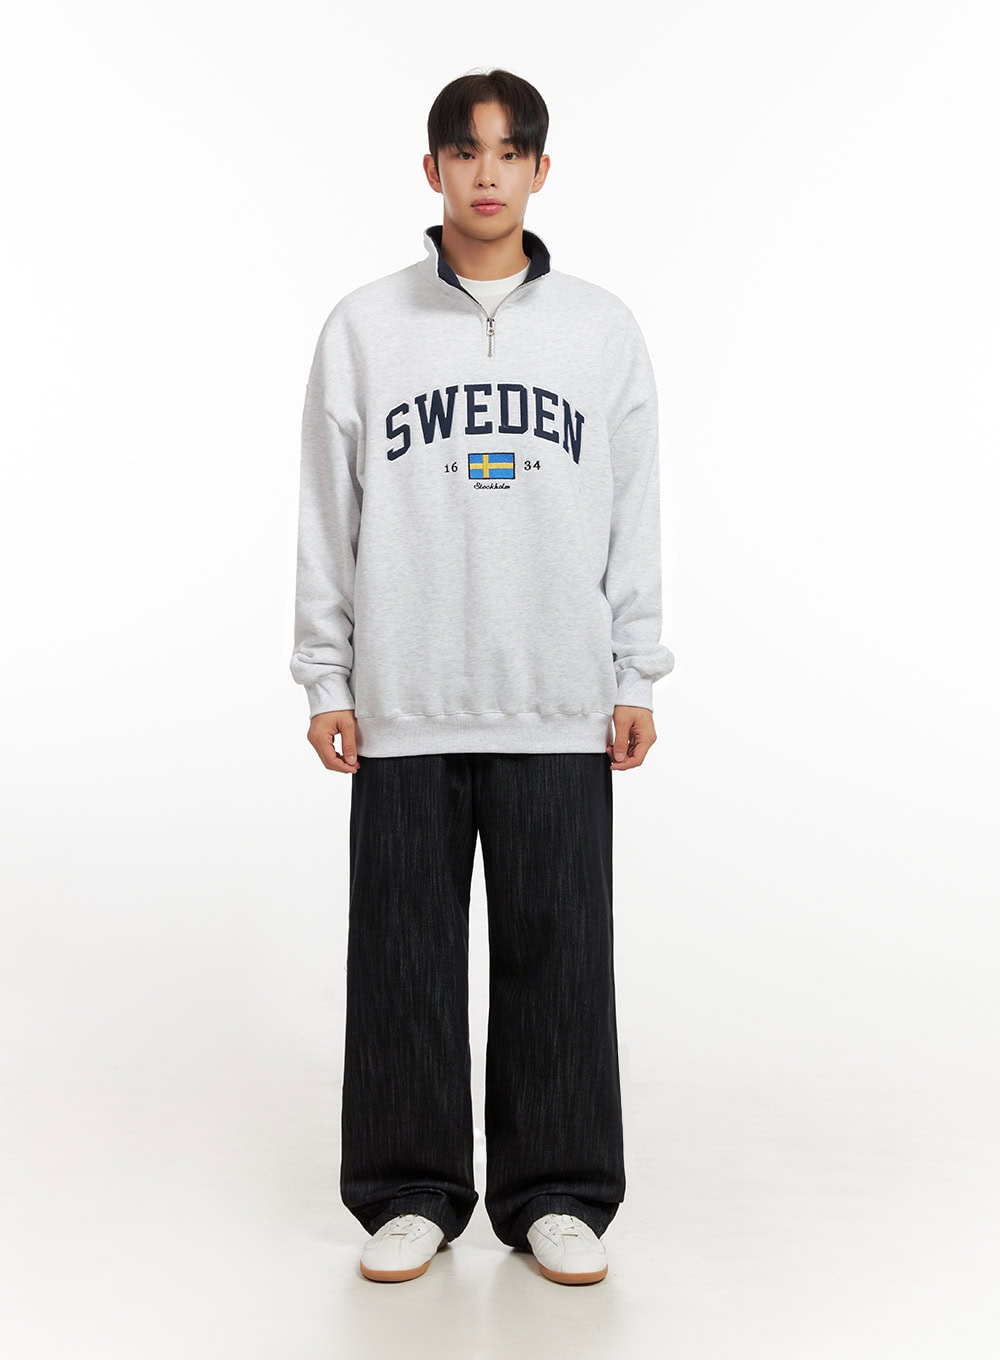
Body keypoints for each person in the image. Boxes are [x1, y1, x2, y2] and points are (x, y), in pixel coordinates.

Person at [289, 68, 675, 1286]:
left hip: (558, 698)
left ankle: (555, 1191)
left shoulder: (601, 329)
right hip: (404, 698)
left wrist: (635, 670)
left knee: (559, 955)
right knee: (401, 956)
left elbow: (633, 513)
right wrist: (325, 676)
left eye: (510, 152)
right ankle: (409, 1192)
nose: (488, 173)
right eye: (465, 151)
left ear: (542, 170)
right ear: (432, 169)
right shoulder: (364, 326)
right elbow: (326, 514)